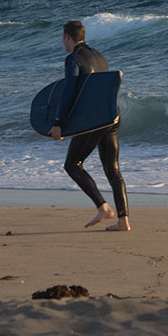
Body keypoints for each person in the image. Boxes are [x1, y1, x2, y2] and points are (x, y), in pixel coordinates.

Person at [48, 20, 130, 231]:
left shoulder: (73, 59)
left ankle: (103, 207)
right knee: (113, 169)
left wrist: (59, 123)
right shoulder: (99, 56)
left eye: (63, 38)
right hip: (112, 115)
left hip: (94, 120)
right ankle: (123, 222)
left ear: (68, 37)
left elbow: (69, 92)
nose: (62, 43)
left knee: (72, 164)